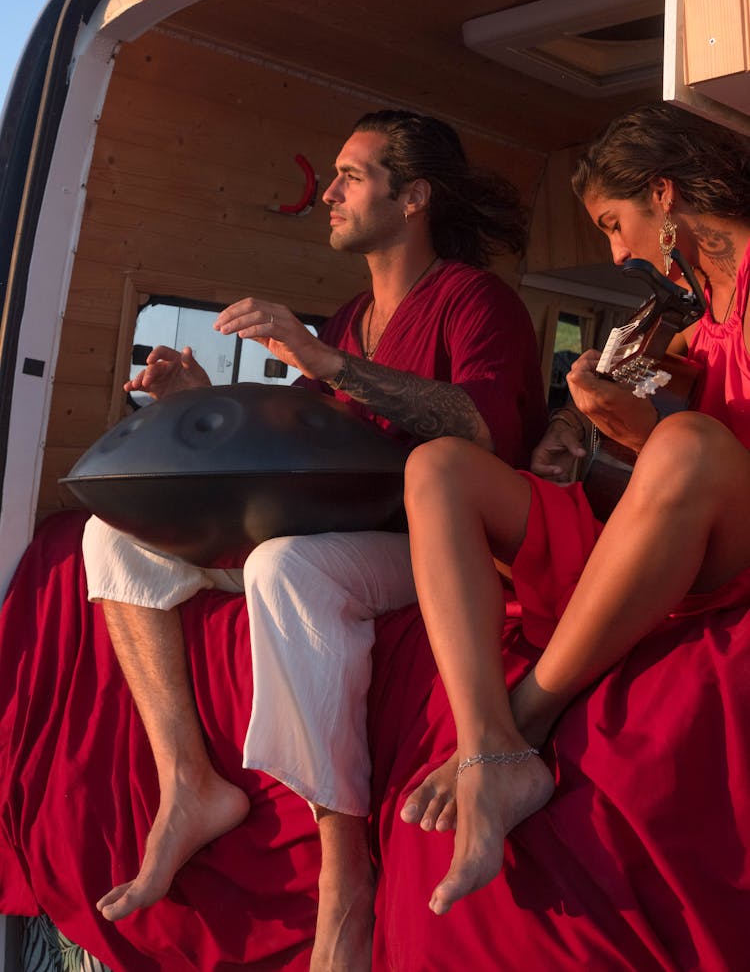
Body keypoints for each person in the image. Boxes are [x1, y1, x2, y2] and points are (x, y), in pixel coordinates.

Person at [81, 108, 548, 970]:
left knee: (286, 564)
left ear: (413, 197)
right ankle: (187, 780)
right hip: (344, 526)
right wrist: (193, 399)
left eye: (350, 175)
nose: (326, 192)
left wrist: (325, 362)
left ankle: (344, 869)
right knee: (111, 539)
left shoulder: (477, 302)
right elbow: (317, 446)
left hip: (434, 545)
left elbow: (477, 428)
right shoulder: (345, 315)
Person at [398, 101, 750, 917]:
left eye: (614, 224)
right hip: (676, 511)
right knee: (438, 468)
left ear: (663, 195)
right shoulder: (693, 321)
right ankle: (483, 731)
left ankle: (524, 718)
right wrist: (591, 423)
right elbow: (659, 438)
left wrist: (655, 435)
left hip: (729, 530)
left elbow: (695, 447)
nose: (616, 250)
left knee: (688, 447)